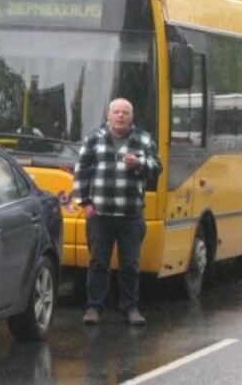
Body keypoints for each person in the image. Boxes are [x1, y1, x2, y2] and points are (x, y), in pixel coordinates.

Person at [73, 98, 162, 326]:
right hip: (100, 215)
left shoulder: (142, 139)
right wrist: (85, 203)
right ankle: (94, 308)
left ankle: (131, 309)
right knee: (98, 263)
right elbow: (81, 170)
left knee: (130, 265)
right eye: (116, 112)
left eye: (125, 112)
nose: (120, 116)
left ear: (131, 117)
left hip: (130, 215)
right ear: (108, 116)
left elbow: (157, 166)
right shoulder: (94, 138)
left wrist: (139, 163)